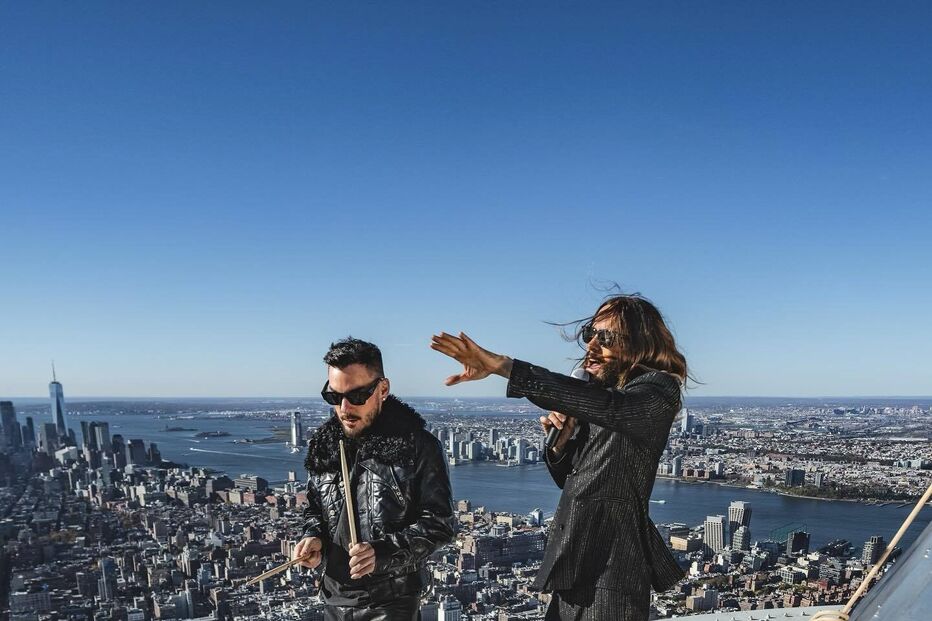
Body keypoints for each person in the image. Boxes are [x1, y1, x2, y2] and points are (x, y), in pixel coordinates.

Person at [430, 293, 686, 621]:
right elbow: (579, 480)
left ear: (640, 343)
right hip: (577, 565)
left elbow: (613, 410)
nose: (591, 346)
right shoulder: (606, 399)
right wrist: (560, 446)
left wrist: (503, 366)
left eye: (605, 337)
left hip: (613, 569)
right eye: (589, 335)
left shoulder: (656, 390)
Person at [294, 337, 455, 621]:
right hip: (333, 597)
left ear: (383, 389)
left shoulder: (417, 447)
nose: (344, 408)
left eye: (357, 396)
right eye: (334, 396)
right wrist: (313, 537)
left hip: (391, 603)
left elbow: (439, 524)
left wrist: (381, 552)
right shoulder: (324, 445)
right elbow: (315, 510)